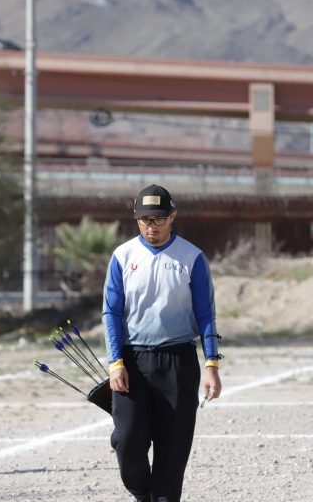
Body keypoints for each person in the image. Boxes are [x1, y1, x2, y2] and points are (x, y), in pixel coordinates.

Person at [102, 184, 223, 502]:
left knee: (173, 448)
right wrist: (115, 363)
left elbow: (206, 314)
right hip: (132, 362)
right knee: (127, 439)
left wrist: (212, 365)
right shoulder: (123, 256)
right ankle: (143, 494)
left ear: (172, 217)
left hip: (178, 362)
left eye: (158, 219)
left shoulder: (192, 257)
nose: (151, 226)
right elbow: (111, 312)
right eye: (145, 219)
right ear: (136, 219)